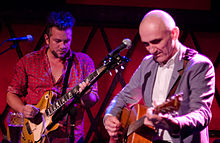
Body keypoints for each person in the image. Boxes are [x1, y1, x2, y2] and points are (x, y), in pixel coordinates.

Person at [104, 9, 215, 142]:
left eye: (156, 41)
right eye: (146, 44)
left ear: (174, 33)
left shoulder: (198, 65)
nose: (151, 50)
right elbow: (124, 96)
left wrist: (173, 124)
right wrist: (109, 116)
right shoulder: (147, 63)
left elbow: (202, 114)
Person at [6, 11, 99, 143]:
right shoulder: (28, 61)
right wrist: (22, 109)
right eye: (57, 41)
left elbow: (92, 100)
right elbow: (11, 94)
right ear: (46, 39)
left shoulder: (84, 62)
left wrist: (85, 94)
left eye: (67, 41)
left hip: (70, 137)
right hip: (33, 136)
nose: (63, 46)